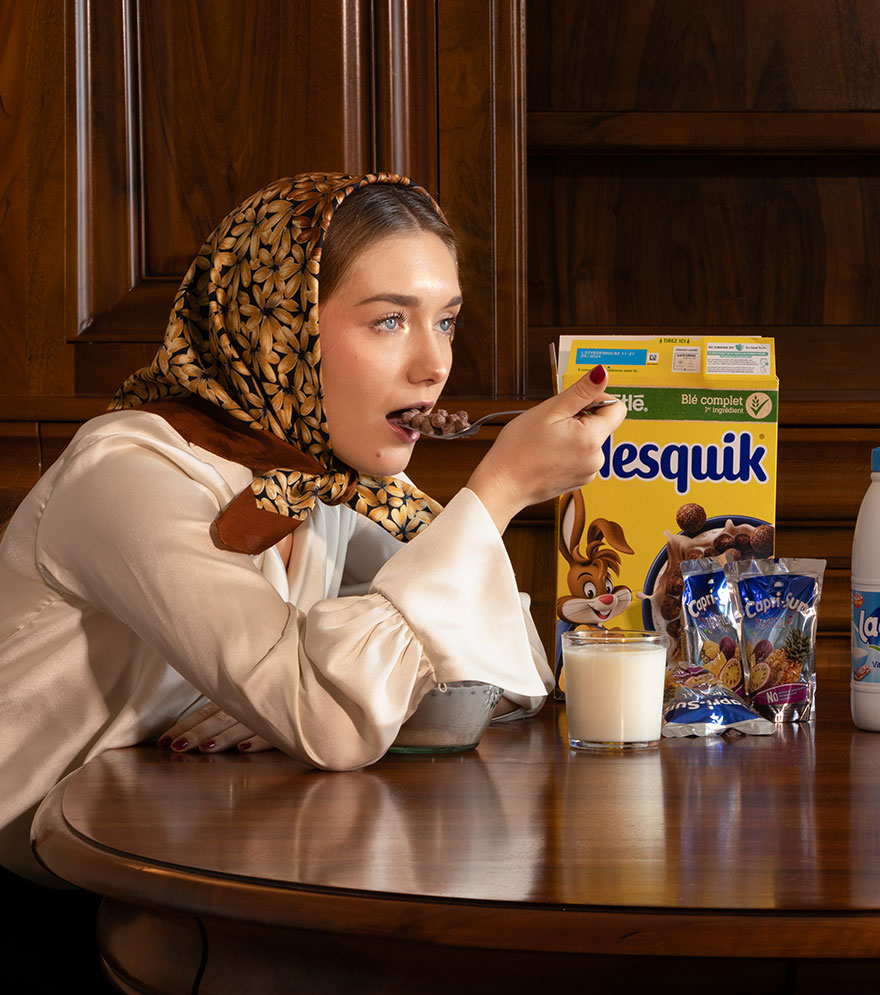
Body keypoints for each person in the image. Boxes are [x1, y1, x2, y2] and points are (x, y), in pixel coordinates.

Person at [0, 171, 626, 892]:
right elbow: (331, 720)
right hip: (29, 891)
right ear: (280, 326)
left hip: (169, 851)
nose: (435, 364)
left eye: (446, 320)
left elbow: (508, 675)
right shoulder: (128, 477)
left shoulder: (325, 467)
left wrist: (273, 704)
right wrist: (500, 490)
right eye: (390, 320)